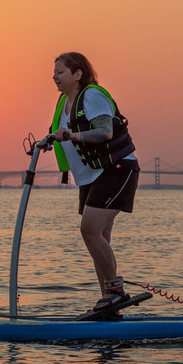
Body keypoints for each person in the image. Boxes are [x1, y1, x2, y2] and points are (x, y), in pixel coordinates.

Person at [48, 52, 140, 315]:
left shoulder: (92, 95)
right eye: (53, 72)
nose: (54, 76)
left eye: (60, 71)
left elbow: (104, 131)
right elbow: (64, 131)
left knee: (89, 231)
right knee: (99, 237)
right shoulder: (64, 102)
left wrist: (72, 135)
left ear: (77, 74)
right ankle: (108, 302)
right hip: (90, 176)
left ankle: (115, 291)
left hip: (116, 170)